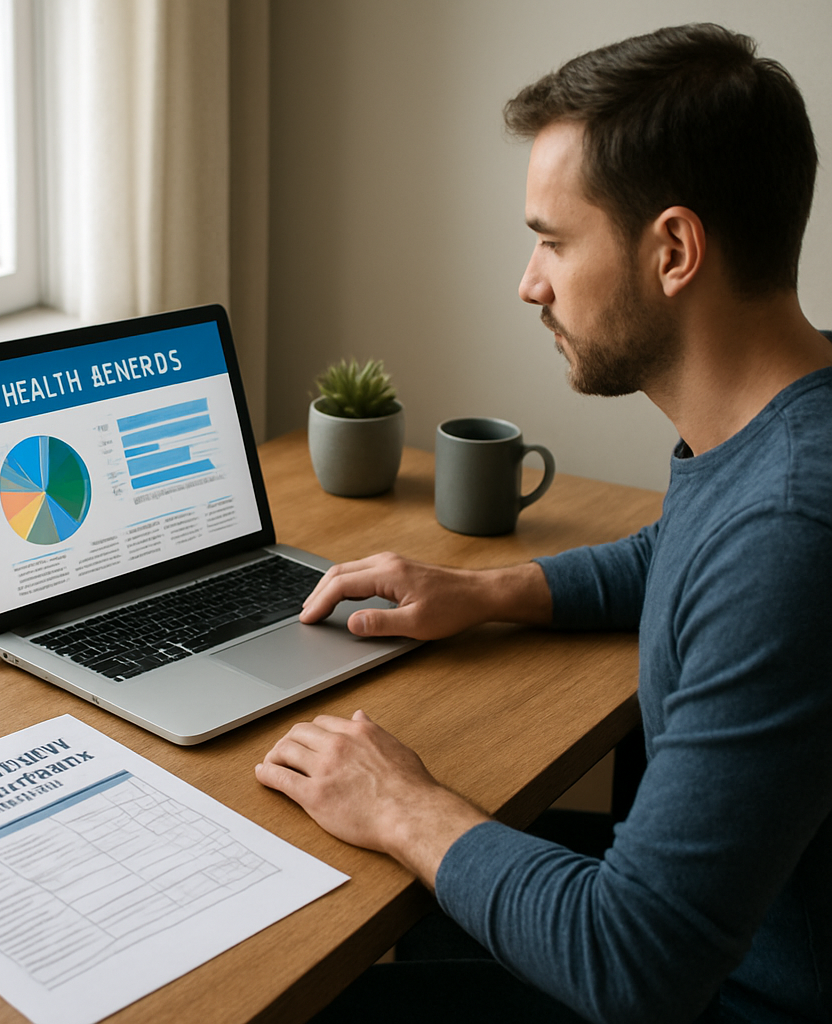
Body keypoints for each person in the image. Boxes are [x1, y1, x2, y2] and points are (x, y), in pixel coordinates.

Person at [254, 23, 832, 1024]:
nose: (530, 282)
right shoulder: (786, 418)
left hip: (731, 995)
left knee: (319, 982)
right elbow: (683, 552)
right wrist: (484, 591)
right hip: (724, 929)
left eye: (554, 241)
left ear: (674, 250)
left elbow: (631, 964)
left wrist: (403, 805)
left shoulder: (790, 528)